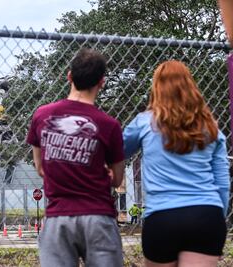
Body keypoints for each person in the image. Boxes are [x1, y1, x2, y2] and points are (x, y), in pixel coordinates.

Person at [123, 60, 230, 267]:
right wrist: (218, 218)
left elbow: (117, 151)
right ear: (191, 87)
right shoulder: (211, 128)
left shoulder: (145, 122)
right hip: (206, 214)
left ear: (157, 88)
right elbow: (223, 183)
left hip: (163, 217)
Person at [26, 48, 125, 267]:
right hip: (98, 217)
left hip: (57, 217)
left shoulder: (42, 115)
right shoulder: (109, 125)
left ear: (69, 76)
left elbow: (41, 167)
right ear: (102, 82)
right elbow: (118, 180)